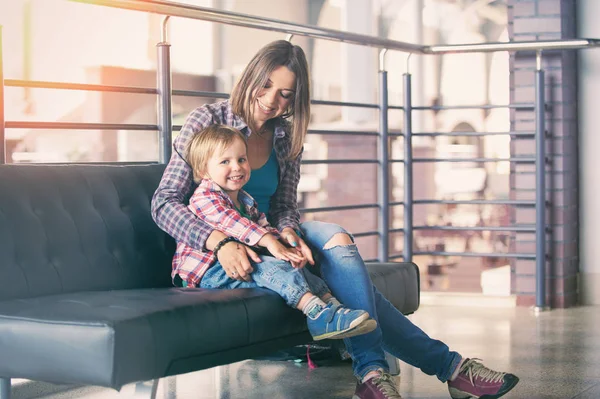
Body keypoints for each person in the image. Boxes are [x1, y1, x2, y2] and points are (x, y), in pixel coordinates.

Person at [152, 40, 520, 399]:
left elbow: (283, 205)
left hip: (268, 232)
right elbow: (164, 202)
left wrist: (288, 232)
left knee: (338, 239)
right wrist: (220, 242)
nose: (271, 100)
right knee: (354, 286)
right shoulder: (209, 119)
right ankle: (427, 370)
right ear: (250, 77)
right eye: (265, 85)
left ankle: (390, 373)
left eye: (284, 93)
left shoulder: (286, 134)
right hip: (223, 241)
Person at [172, 123, 377, 341]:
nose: (237, 167)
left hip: (239, 261)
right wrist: (270, 243)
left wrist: (286, 247)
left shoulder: (244, 200)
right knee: (269, 266)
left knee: (296, 264)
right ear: (204, 171)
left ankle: (334, 308)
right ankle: (318, 315)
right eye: (225, 162)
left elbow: (264, 227)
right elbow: (234, 224)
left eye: (241, 159)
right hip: (208, 270)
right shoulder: (204, 197)